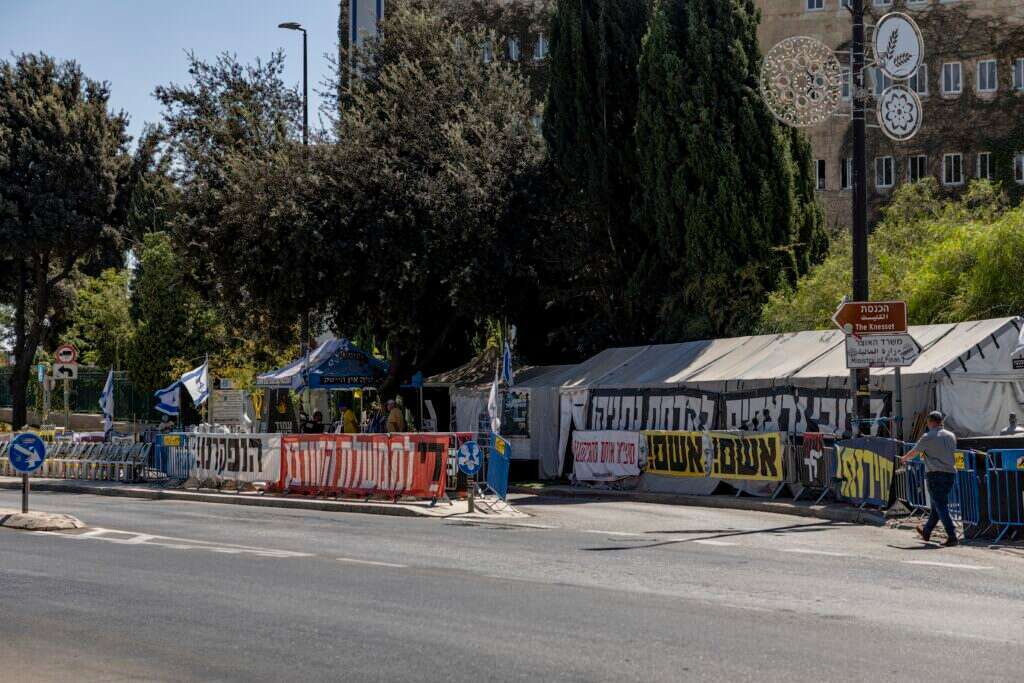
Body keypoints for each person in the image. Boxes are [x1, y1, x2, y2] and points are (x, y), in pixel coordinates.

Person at [900, 411, 959, 547]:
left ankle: (952, 535)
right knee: (936, 506)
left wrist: (904, 458)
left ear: (931, 422)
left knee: (940, 505)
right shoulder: (951, 435)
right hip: (950, 474)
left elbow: (915, 452)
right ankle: (926, 531)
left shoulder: (928, 436)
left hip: (935, 474)